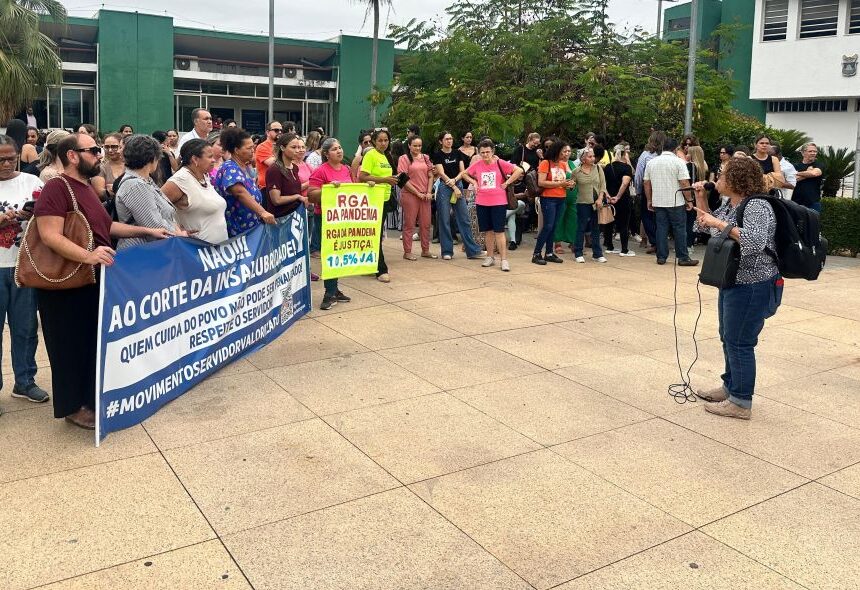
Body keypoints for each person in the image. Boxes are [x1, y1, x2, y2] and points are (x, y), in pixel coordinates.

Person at [33, 133, 169, 429]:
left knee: (88, 343)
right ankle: (73, 407)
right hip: (65, 283)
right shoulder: (57, 187)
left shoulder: (84, 188)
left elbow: (108, 226)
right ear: (72, 155)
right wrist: (87, 255)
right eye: (94, 150)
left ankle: (89, 397)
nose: (101, 155)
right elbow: (49, 234)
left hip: (91, 281)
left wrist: (147, 230)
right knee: (68, 345)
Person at [692, 156, 783, 420]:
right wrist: (700, 200)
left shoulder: (756, 206)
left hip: (754, 284)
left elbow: (753, 242)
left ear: (736, 180)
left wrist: (719, 224)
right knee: (728, 336)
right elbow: (707, 227)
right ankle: (730, 387)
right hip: (733, 280)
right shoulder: (733, 203)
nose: (716, 178)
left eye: (721, 174)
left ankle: (741, 402)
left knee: (740, 341)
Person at [0, 135, 50, 413]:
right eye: (1, 159)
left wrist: (32, 214)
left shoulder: (32, 182)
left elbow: (49, 215)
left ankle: (25, 380)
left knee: (26, 328)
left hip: (25, 266)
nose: (7, 164)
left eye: (12, 158)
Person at [115, 135, 187, 249]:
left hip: (150, 251)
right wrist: (180, 235)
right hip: (140, 254)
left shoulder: (145, 180)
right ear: (152, 158)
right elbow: (154, 225)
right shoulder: (135, 185)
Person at [462, 138, 523, 272]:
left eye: (487, 152)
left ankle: (504, 259)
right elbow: (465, 174)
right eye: (482, 152)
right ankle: (490, 256)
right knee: (487, 231)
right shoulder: (477, 165)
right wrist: (475, 182)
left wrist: (507, 183)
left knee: (499, 231)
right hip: (482, 202)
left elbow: (518, 170)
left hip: (498, 202)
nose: (485, 155)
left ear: (492, 151)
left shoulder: (500, 163)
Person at [307, 137, 353, 310]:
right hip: (326, 217)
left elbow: (352, 190)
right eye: (334, 149)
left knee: (339, 254)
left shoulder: (347, 169)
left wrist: (369, 186)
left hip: (344, 217)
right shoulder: (321, 171)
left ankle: (335, 288)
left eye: (340, 147)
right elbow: (311, 195)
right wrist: (328, 189)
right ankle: (329, 292)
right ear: (326, 154)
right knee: (330, 254)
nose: (339, 151)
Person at [161, 138, 228, 244]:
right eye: (210, 157)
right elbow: (155, 208)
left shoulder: (204, 176)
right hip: (195, 252)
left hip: (217, 252)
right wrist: (176, 231)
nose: (213, 160)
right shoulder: (180, 180)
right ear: (195, 159)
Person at [643, 137, 698, 267]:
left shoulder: (652, 162)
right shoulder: (679, 162)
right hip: (676, 201)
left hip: (658, 201)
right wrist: (689, 200)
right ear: (675, 149)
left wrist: (649, 199)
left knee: (661, 229)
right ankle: (683, 257)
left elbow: (646, 183)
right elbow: (684, 182)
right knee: (679, 229)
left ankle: (661, 257)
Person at [214, 127, 276, 237]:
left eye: (253, 147)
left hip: (250, 228)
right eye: (249, 148)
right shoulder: (229, 168)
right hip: (238, 230)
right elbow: (239, 192)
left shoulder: (244, 167)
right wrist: (262, 212)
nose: (253, 150)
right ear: (237, 150)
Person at [431, 131, 482, 261]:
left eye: (451, 139)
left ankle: (473, 251)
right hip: (445, 187)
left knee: (464, 219)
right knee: (444, 219)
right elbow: (441, 173)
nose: (449, 141)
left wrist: (456, 182)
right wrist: (453, 185)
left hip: (457, 184)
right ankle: (447, 251)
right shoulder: (437, 155)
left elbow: (463, 171)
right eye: (447, 139)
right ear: (440, 141)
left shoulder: (457, 153)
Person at [358, 129, 397, 283]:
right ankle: (381, 269)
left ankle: (370, 265)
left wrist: (392, 179)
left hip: (385, 198)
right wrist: (385, 180)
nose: (383, 143)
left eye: (386, 140)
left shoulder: (385, 156)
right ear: (374, 141)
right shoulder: (370, 155)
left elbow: (386, 176)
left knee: (376, 234)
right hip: (373, 199)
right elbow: (363, 176)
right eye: (380, 140)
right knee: (376, 233)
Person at [532, 139, 572, 265]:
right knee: (548, 226)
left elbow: (563, 182)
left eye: (567, 152)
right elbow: (541, 182)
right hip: (548, 198)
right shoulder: (545, 163)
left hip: (561, 197)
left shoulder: (563, 164)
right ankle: (537, 253)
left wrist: (569, 184)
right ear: (557, 151)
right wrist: (560, 183)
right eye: (563, 151)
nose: (566, 154)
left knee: (554, 226)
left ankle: (549, 253)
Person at [397, 136, 435, 260]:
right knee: (410, 224)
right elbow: (403, 179)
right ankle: (407, 251)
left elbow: (430, 176)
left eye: (419, 145)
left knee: (426, 224)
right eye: (415, 145)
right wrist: (417, 193)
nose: (417, 148)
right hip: (410, 195)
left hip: (425, 195)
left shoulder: (425, 158)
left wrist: (429, 192)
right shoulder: (404, 158)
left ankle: (425, 250)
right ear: (409, 145)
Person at [570, 146, 608, 263]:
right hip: (582, 202)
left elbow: (603, 185)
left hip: (596, 203)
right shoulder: (576, 171)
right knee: (581, 227)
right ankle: (578, 252)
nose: (593, 158)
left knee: (596, 228)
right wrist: (570, 185)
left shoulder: (598, 169)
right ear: (583, 159)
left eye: (593, 156)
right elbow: (572, 186)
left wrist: (600, 198)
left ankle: (597, 253)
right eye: (590, 156)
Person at [634, 130, 664, 253]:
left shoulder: (645, 155)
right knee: (661, 217)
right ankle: (661, 241)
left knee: (647, 216)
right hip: (663, 189)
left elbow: (639, 175)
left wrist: (638, 190)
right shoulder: (665, 155)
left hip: (649, 188)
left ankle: (655, 241)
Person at [602, 145, 635, 256]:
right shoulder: (627, 168)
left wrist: (608, 195)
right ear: (624, 154)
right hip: (623, 199)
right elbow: (625, 183)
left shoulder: (607, 167)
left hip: (609, 198)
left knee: (609, 223)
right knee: (624, 224)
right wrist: (618, 196)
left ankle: (609, 246)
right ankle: (624, 249)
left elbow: (603, 183)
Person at [686, 145, 709, 248]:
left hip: (691, 195)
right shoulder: (703, 166)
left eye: (688, 153)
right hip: (700, 196)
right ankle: (691, 242)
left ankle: (687, 243)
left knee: (689, 221)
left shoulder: (690, 166)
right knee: (695, 219)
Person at [91, 133, 124, 201]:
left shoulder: (131, 165)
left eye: (114, 147)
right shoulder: (100, 168)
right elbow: (99, 194)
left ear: (121, 147)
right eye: (106, 147)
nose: (110, 150)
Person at [792, 142, 823, 212]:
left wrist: (796, 173)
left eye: (815, 151)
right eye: (810, 151)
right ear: (803, 153)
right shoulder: (795, 166)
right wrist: (808, 173)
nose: (813, 153)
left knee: (813, 223)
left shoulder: (819, 165)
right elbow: (793, 179)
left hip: (813, 203)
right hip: (796, 202)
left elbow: (815, 173)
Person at [254, 120, 283, 189]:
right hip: (266, 187)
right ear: (267, 132)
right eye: (276, 130)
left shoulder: (281, 146)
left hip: (280, 185)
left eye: (281, 130)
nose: (279, 132)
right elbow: (275, 164)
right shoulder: (262, 147)